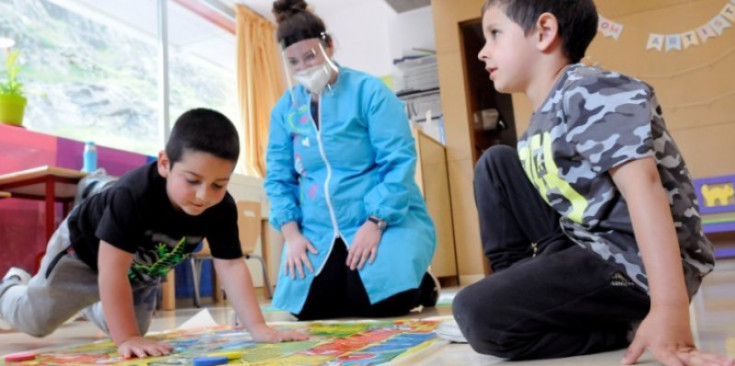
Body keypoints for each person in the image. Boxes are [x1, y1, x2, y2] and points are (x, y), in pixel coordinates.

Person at [451, 1, 734, 365]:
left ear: (544, 32)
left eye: (495, 34)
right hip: (584, 243)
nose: (482, 50)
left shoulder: (591, 89)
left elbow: (644, 187)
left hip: (634, 263)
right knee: (496, 162)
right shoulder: (541, 120)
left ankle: (619, 328)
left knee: (477, 316)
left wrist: (669, 308)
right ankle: (527, 297)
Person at [0, 108, 307, 359]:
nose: (203, 195)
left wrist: (257, 327)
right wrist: (127, 337)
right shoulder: (134, 195)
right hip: (84, 254)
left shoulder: (221, 208)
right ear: (164, 164)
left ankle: (97, 301)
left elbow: (230, 264)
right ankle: (10, 284)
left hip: (135, 271)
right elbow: (111, 271)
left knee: (133, 332)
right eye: (192, 180)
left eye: (218, 184)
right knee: (35, 321)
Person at [264, 0, 438, 321]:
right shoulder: (285, 109)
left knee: (378, 304)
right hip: (317, 229)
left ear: (329, 45)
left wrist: (376, 222)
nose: (304, 68)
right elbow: (278, 177)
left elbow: (398, 160)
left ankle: (421, 281)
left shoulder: (369, 91)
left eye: (311, 56)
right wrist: (291, 234)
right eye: (294, 62)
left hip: (381, 218)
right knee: (306, 310)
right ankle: (354, 278)